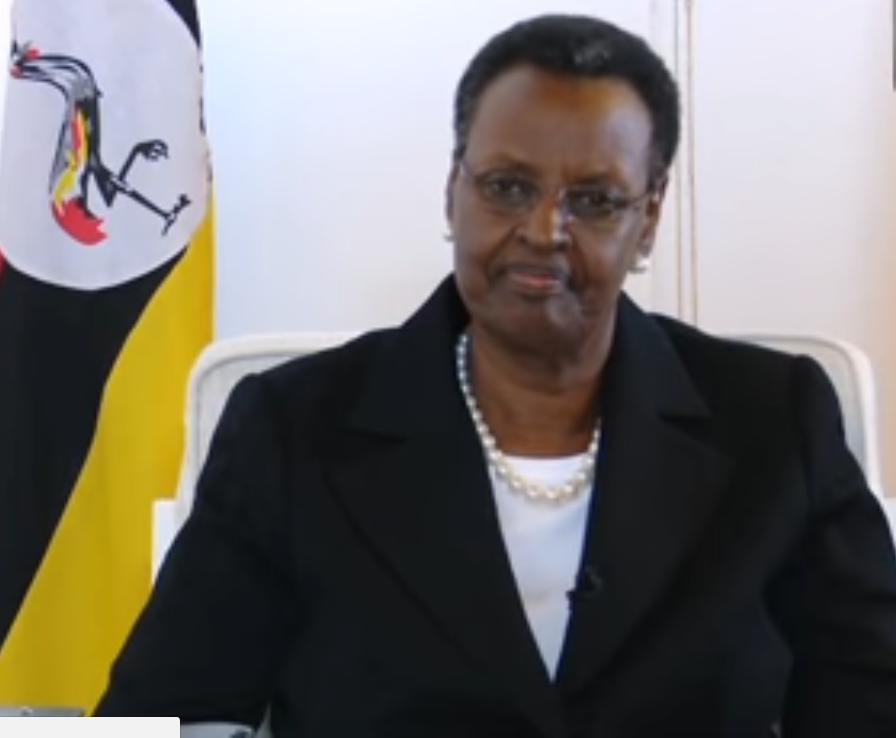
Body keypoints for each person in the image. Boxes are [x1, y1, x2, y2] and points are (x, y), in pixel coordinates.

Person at [95, 13, 896, 737]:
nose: (545, 230)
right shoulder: (294, 427)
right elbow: (161, 717)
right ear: (454, 193)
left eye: (594, 200)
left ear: (648, 219)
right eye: (509, 188)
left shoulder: (772, 422)